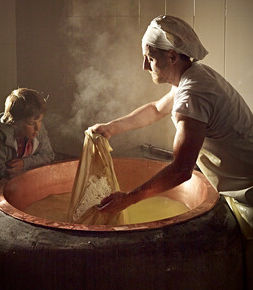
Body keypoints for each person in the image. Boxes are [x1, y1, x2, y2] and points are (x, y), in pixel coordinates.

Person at [91, 15, 253, 238]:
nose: (144, 66)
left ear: (172, 56)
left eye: (149, 58)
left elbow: (181, 170)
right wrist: (111, 128)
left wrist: (127, 200)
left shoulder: (193, 93)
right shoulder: (194, 75)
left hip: (248, 194)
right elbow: (157, 109)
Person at [0, 88, 55, 192]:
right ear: (15, 123)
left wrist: (24, 164)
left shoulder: (39, 129)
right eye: (30, 123)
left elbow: (49, 155)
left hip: (20, 182)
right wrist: (23, 172)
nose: (37, 128)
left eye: (40, 121)